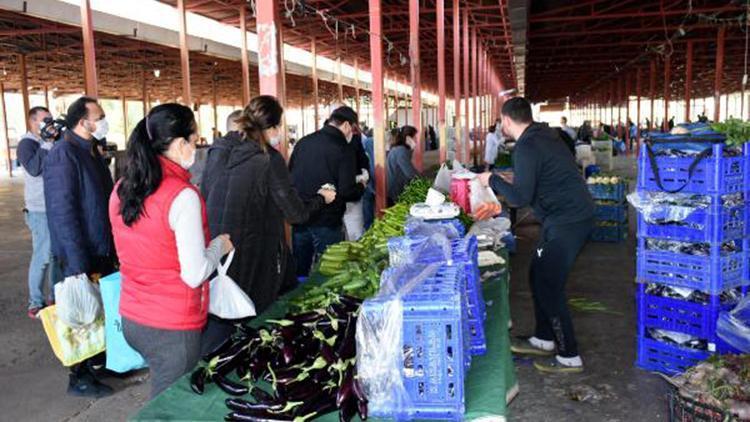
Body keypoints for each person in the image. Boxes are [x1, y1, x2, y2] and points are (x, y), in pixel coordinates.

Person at [110, 103, 234, 399]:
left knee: (163, 393)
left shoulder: (122, 188)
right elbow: (194, 275)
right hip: (172, 327)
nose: (196, 147)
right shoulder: (181, 196)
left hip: (132, 317)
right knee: (168, 406)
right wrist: (219, 246)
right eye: (194, 140)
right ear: (179, 144)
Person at [201, 96, 335, 350]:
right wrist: (321, 198)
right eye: (278, 127)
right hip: (256, 252)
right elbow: (295, 214)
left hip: (218, 247)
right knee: (257, 315)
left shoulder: (219, 150)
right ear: (271, 128)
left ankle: (210, 363)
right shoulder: (267, 158)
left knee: (222, 312)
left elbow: (207, 194)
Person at [478, 97, 594, 374]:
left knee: (549, 284)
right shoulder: (544, 134)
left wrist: (491, 179)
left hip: (569, 223)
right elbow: (533, 179)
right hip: (559, 221)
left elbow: (519, 198)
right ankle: (543, 338)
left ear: (506, 120)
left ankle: (569, 355)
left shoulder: (527, 146)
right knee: (537, 272)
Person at [44, 96, 116, 397]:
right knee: (78, 311)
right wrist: (76, 262)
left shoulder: (90, 151)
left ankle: (98, 360)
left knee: (98, 309)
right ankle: (79, 377)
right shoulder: (64, 154)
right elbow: (63, 211)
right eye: (98, 116)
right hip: (78, 250)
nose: (102, 121)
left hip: (99, 248)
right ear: (82, 121)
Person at [289, 106, 364, 277]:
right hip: (327, 222)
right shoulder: (343, 149)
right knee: (329, 273)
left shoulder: (303, 142)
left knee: (301, 269)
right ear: (346, 125)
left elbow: (290, 177)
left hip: (301, 219)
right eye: (352, 129)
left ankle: (299, 301)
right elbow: (346, 191)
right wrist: (361, 187)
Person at [17, 106, 61, 318]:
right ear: (33, 122)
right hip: (38, 209)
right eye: (45, 120)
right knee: (42, 256)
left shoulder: (51, 142)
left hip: (53, 206)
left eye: (50, 120)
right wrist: (46, 142)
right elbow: (34, 168)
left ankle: (53, 296)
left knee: (54, 256)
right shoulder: (27, 144)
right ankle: (35, 301)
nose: (49, 124)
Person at [387, 125, 420, 204]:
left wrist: (411, 149)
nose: (416, 140)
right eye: (415, 137)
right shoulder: (401, 151)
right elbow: (410, 173)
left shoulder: (399, 149)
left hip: (396, 189)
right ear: (408, 138)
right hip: (397, 192)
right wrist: (423, 180)